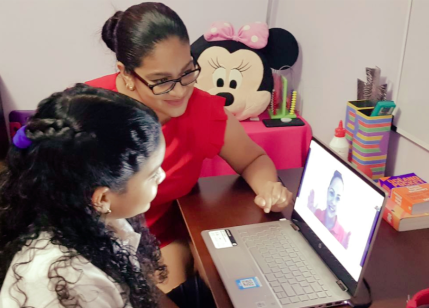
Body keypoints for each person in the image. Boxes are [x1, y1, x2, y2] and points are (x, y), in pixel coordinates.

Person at [85, 2, 293, 299]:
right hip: (88, 239)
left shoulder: (204, 111)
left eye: (187, 72)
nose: (180, 91)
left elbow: (253, 158)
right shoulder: (88, 109)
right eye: (161, 81)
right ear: (127, 74)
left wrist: (269, 188)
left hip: (158, 239)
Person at [0, 84, 184, 307]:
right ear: (102, 198)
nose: (163, 176)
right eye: (153, 173)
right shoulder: (69, 281)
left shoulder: (89, 214)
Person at [308, 170, 351, 249]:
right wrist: (307, 216)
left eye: (338, 198)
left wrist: (343, 252)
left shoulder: (342, 235)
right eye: (331, 193)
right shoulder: (314, 214)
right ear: (327, 191)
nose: (333, 202)